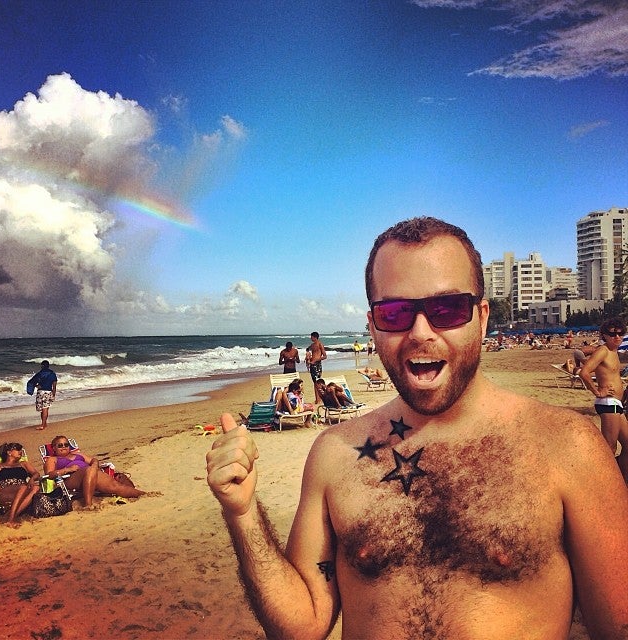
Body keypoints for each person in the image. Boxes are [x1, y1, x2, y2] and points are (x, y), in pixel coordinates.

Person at [206, 216, 628, 639]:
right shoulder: (335, 454)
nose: (421, 332)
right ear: (372, 326)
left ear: (481, 319)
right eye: (395, 313)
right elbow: (302, 625)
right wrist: (242, 513)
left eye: (447, 309)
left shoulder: (566, 447)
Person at [578, 318, 628, 483]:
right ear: (605, 335)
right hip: (608, 403)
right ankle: (601, 484)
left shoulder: (614, 352)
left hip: (616, 404)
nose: (617, 337)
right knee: (609, 448)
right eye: (613, 334)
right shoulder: (603, 351)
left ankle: (621, 480)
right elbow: (584, 372)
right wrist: (598, 391)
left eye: (620, 333)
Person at [43, 435, 145, 508]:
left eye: (66, 444)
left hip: (90, 474)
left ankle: (143, 494)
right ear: (54, 448)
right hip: (70, 479)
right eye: (60, 445)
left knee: (115, 486)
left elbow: (93, 460)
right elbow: (49, 475)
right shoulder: (52, 459)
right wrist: (67, 469)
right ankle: (88, 504)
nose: (64, 447)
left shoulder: (79, 455)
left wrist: (95, 465)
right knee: (88, 470)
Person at [0, 442, 40, 526]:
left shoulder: (23, 464)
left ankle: (9, 517)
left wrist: (32, 479)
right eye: (18, 449)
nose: (21, 451)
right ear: (9, 452)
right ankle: (11, 519)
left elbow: (36, 473)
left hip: (22, 490)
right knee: (23, 487)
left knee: (36, 488)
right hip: (4, 491)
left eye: (21, 449)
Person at [27, 360, 58, 430]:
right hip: (48, 392)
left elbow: (32, 382)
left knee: (42, 409)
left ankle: (43, 425)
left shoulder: (40, 373)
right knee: (45, 408)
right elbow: (54, 385)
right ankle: (44, 424)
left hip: (40, 392)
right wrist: (54, 394)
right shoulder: (52, 374)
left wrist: (37, 386)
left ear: (42, 366)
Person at [306, 331, 327, 403]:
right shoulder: (312, 345)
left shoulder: (320, 344)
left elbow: (325, 356)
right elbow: (307, 349)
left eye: (311, 337)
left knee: (318, 382)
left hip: (317, 364)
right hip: (312, 364)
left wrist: (316, 360)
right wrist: (308, 357)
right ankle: (317, 399)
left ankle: (320, 398)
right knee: (314, 382)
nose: (310, 338)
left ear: (315, 337)